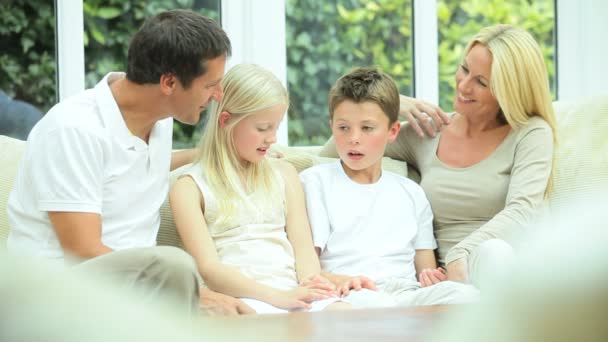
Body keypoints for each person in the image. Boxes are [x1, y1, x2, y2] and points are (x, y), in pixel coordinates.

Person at [6, 9, 253, 315]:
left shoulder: (158, 121)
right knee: (176, 266)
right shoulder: (73, 129)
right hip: (60, 296)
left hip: (135, 291)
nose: (218, 95)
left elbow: (128, 168)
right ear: (169, 83)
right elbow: (82, 251)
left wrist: (208, 154)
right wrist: (195, 295)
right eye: (210, 85)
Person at [321, 24, 557, 289]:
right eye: (465, 69)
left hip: (502, 269)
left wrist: (461, 255)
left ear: (508, 91)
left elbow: (522, 211)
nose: (463, 86)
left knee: (494, 252)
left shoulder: (531, 133)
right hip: (444, 282)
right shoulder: (430, 131)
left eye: (480, 82)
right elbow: (336, 149)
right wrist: (394, 105)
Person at [170, 64, 348, 314]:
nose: (272, 138)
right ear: (225, 121)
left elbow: (304, 250)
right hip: (241, 298)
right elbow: (210, 270)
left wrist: (312, 282)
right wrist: (278, 297)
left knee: (346, 315)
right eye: (263, 128)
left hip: (292, 292)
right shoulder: (189, 188)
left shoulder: (284, 174)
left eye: (276, 127)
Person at [300, 67, 478, 307]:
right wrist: (339, 280)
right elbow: (307, 267)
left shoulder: (411, 192)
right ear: (332, 126)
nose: (354, 138)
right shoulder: (315, 182)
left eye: (367, 128)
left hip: (407, 292)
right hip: (351, 292)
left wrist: (432, 278)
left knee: (467, 296)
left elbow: (425, 270)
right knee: (380, 307)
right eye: (344, 128)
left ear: (392, 131)